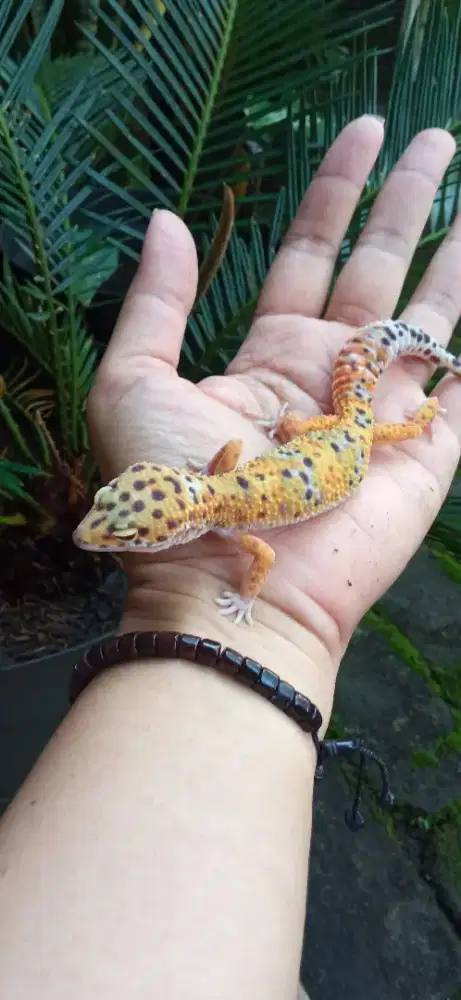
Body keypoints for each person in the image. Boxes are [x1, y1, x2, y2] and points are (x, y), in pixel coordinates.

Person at [1, 115, 460, 999]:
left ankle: (419, 364)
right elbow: (220, 472)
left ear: (172, 525)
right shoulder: (213, 491)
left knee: (390, 426)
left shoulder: (236, 530)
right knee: (357, 413)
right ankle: (403, 362)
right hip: (312, 438)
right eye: (115, 516)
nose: (101, 535)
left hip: (344, 440)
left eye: (126, 527)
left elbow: (254, 565)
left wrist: (249, 608)